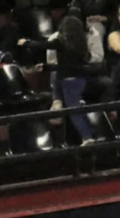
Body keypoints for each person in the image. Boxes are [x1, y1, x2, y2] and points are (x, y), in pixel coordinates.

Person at [19, 15, 111, 145]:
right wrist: (46, 67)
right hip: (79, 79)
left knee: (74, 111)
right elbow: (66, 65)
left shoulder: (61, 42)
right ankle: (58, 103)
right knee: (60, 85)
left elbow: (43, 44)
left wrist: (26, 42)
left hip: (68, 81)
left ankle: (87, 137)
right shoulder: (81, 45)